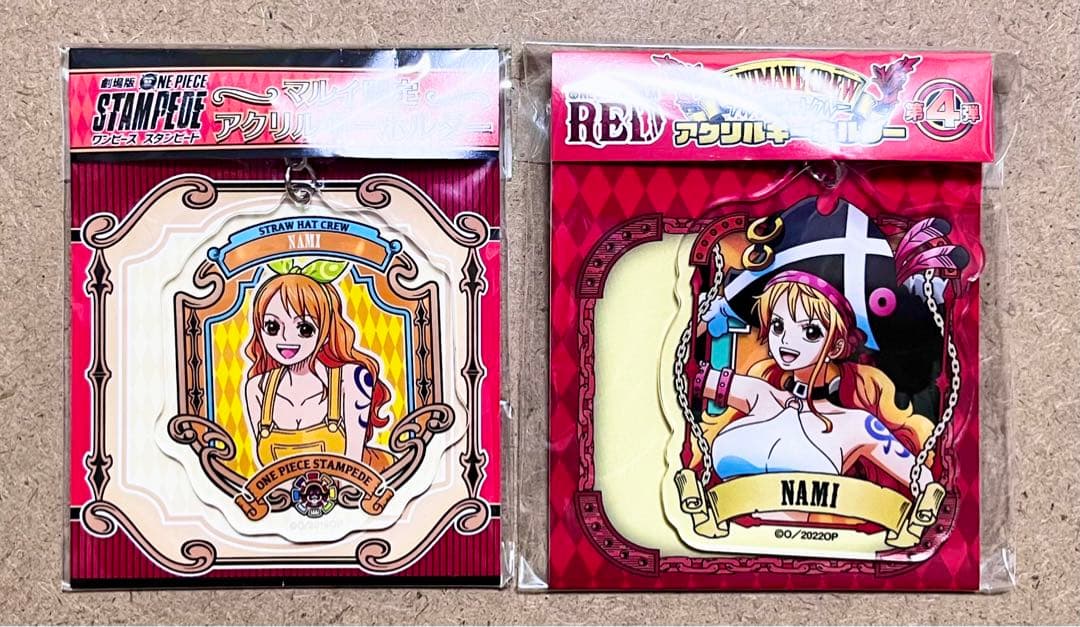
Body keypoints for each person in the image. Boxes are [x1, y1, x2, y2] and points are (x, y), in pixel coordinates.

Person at [694, 270, 935, 516]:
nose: (786, 340)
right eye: (778, 326)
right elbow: (684, 373)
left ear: (836, 347)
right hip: (719, 530)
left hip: (796, 538)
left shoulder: (858, 425)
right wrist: (700, 313)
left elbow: (925, 483)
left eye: (810, 332)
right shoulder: (758, 394)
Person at [242, 259, 395, 472]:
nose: (285, 338)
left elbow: (354, 464)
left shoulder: (352, 379)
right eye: (272, 326)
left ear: (326, 333)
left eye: (304, 328)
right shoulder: (257, 388)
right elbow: (267, 471)